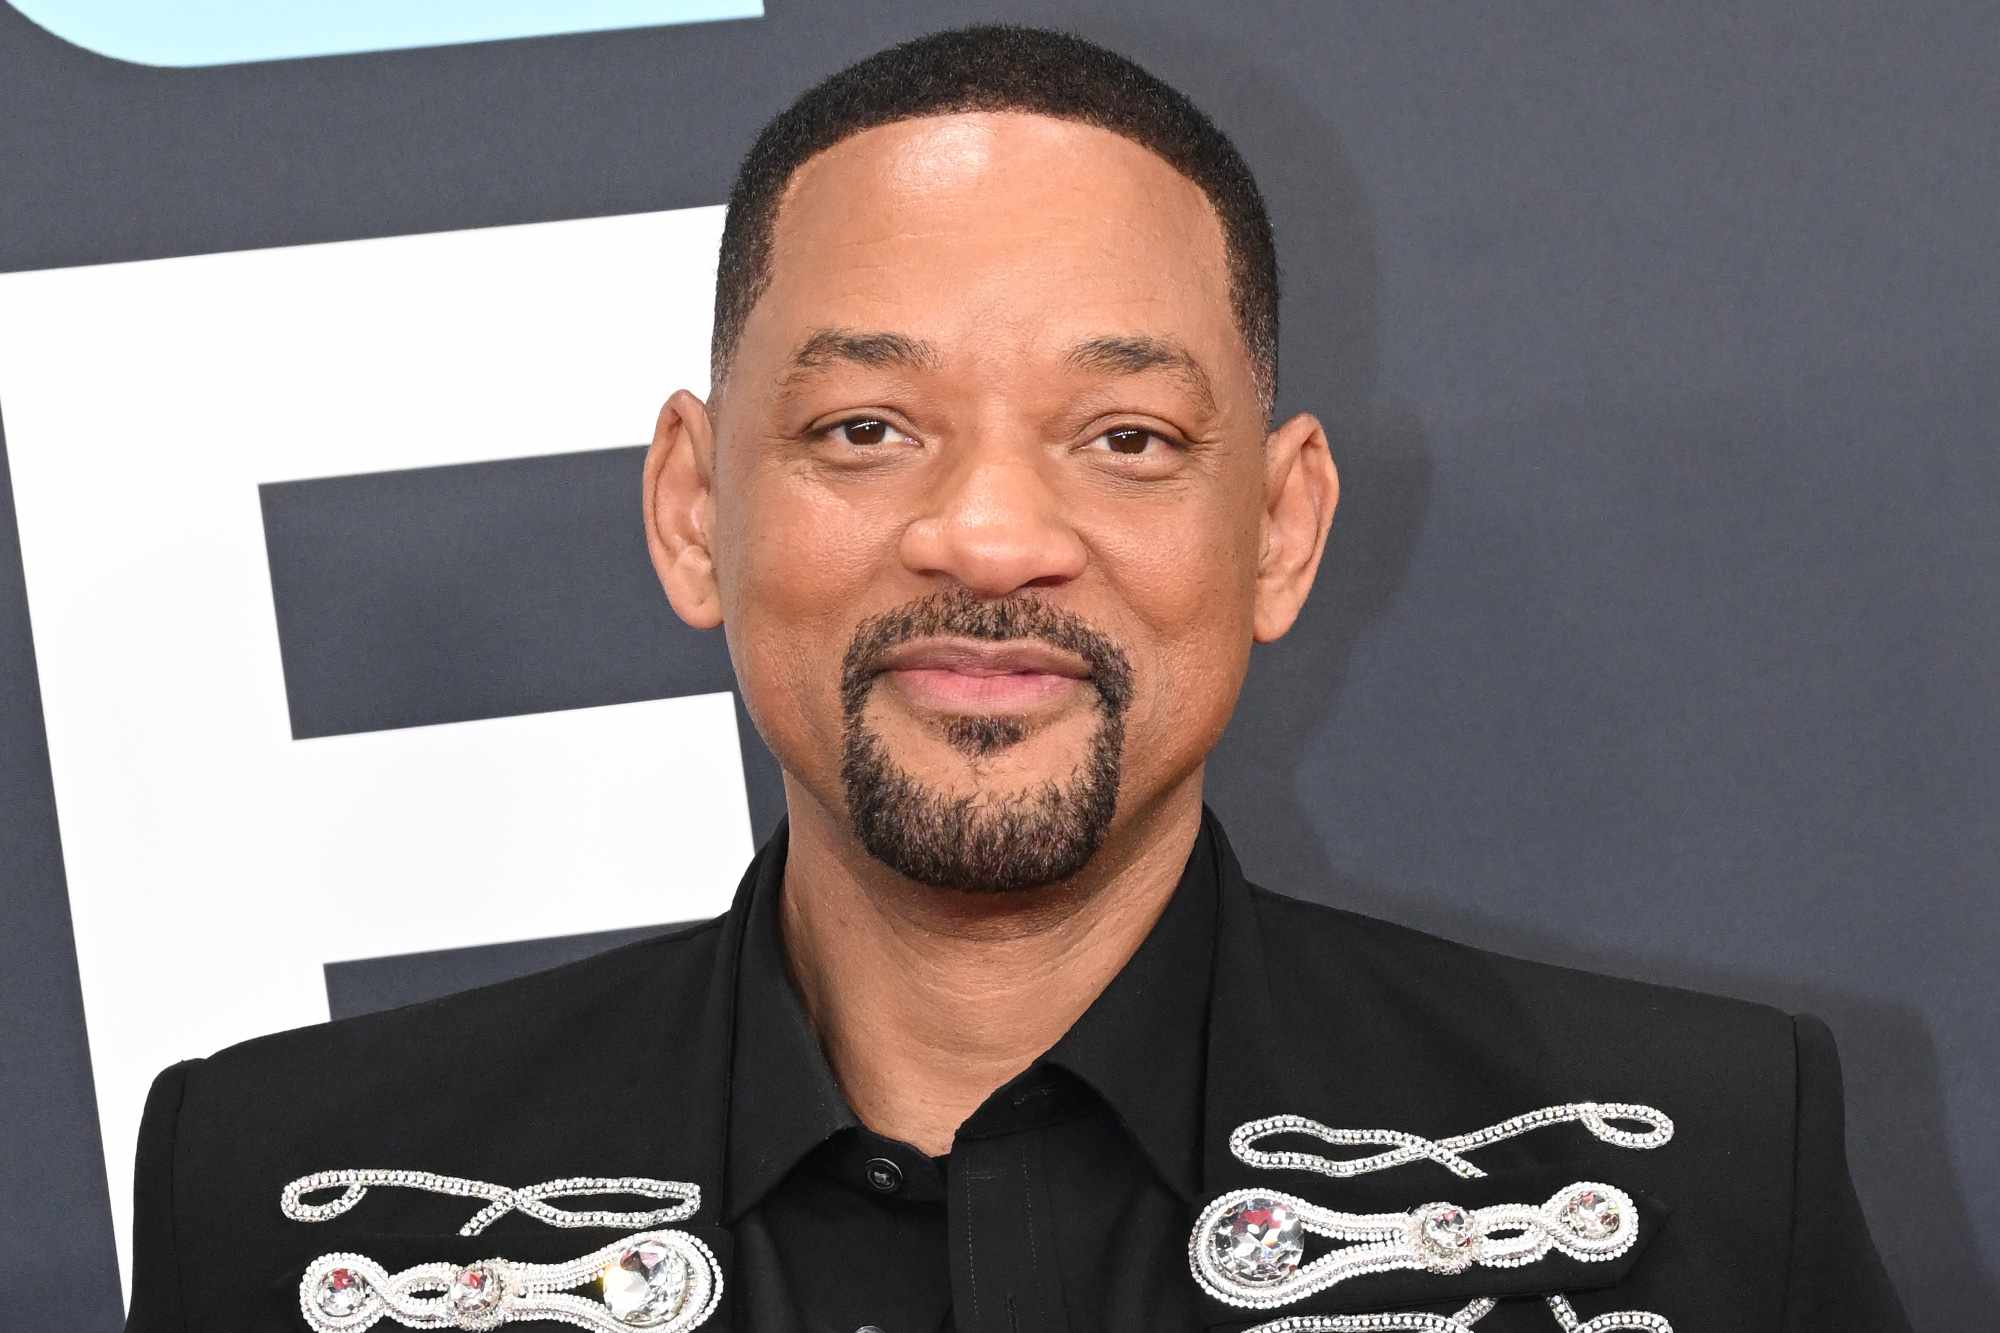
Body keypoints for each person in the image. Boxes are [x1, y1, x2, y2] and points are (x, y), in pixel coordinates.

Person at [123, 23, 1908, 1333]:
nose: (987, 538)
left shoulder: (1688, 1176)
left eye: (1125, 435)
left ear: (1280, 529)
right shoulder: (291, 1206)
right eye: (866, 426)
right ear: (693, 509)